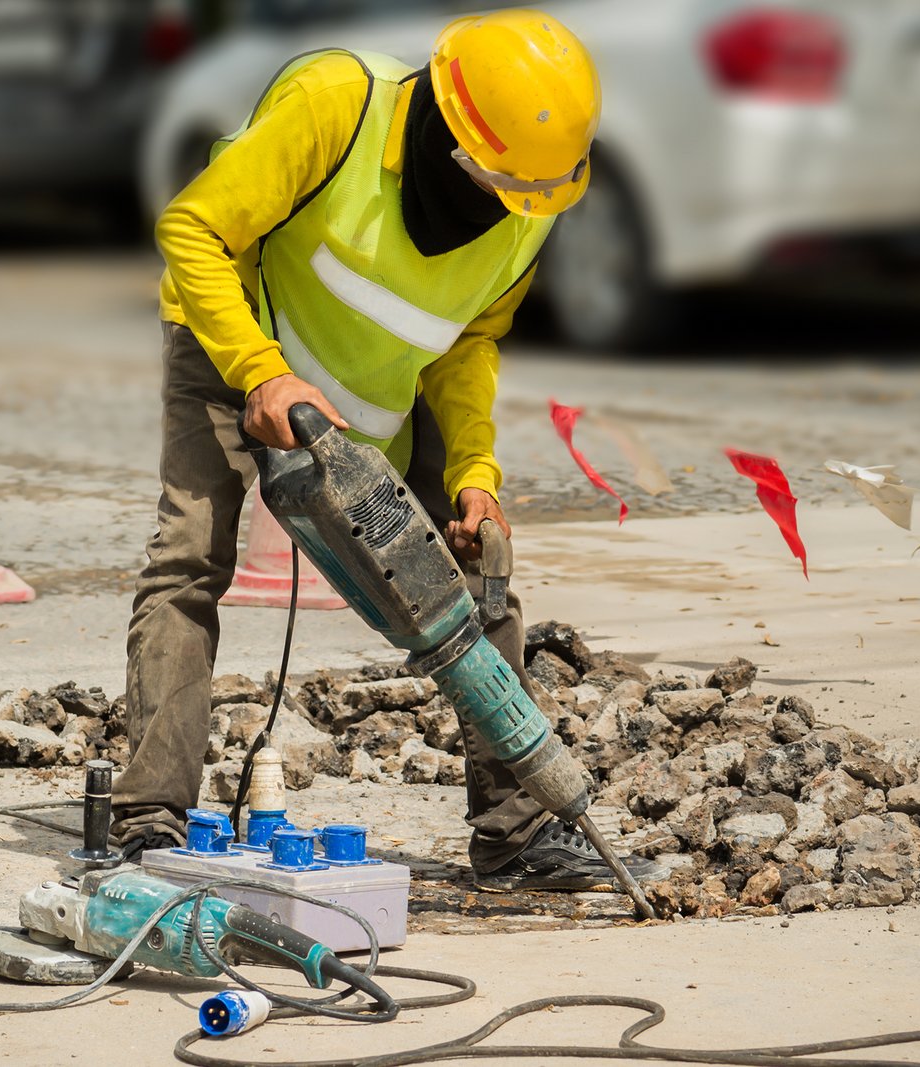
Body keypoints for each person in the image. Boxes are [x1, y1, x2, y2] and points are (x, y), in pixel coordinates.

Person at [110, 9, 657, 893]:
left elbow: (471, 340)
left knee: (480, 577)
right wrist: (260, 373)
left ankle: (514, 834)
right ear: (447, 132)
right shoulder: (336, 110)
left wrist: (475, 473)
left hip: (370, 393)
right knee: (187, 562)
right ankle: (147, 821)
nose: (505, 208)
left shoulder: (526, 204)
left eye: (522, 194)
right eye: (493, 184)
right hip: (233, 338)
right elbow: (194, 229)